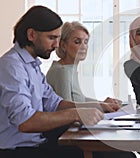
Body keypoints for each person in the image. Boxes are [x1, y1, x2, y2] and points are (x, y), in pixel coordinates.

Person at [0, 5, 129, 158]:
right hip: (19, 151)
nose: (55, 45)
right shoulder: (12, 67)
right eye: (51, 38)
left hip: (39, 142)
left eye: (57, 38)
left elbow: (55, 103)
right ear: (31, 34)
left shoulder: (32, 65)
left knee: (118, 154)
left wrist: (99, 106)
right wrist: (75, 114)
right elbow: (25, 121)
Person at [46, 21, 121, 112]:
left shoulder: (69, 69)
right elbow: (67, 109)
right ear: (63, 45)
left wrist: (103, 104)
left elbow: (80, 100)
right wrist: (100, 106)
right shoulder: (62, 71)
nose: (83, 47)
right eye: (77, 42)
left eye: (85, 42)